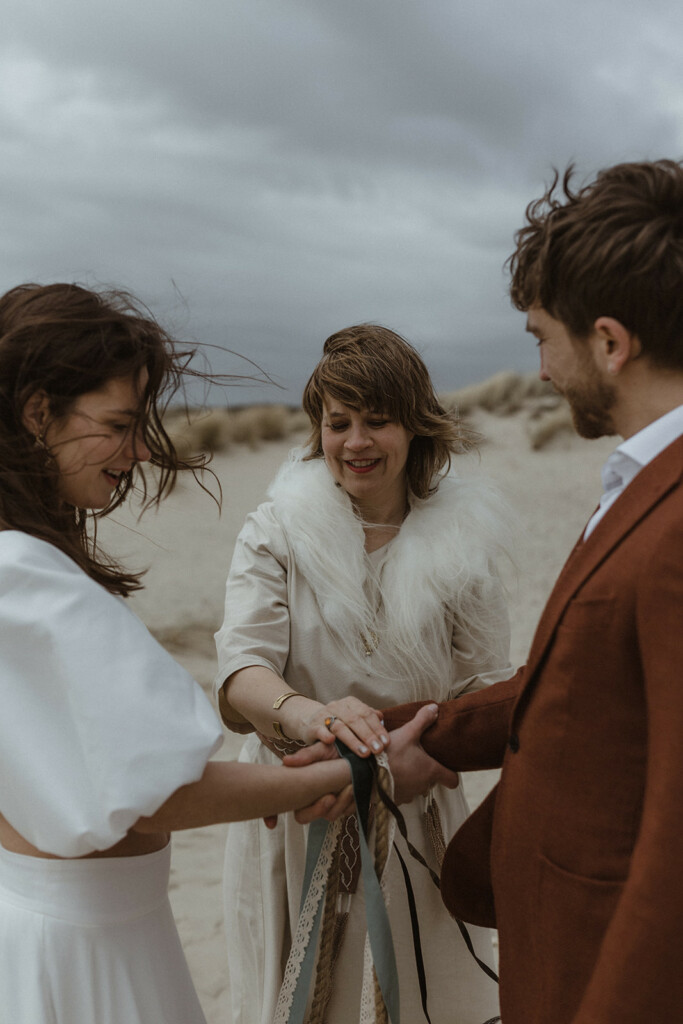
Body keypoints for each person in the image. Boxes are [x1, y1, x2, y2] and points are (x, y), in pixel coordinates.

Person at [0, 283, 444, 1024]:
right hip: (86, 948)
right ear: (38, 412)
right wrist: (361, 770)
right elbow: (160, 794)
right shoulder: (24, 574)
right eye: (118, 423)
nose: (141, 450)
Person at [324, 159, 683, 1024]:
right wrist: (424, 734)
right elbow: (582, 684)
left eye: (539, 337)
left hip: (601, 969)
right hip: (552, 942)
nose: (545, 371)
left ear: (608, 341)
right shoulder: (645, 476)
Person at [214, 324, 513, 1024]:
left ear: (414, 427)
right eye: (337, 422)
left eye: (376, 420)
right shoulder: (276, 531)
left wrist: (417, 760)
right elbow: (241, 670)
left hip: (415, 804)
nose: (355, 443)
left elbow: (486, 694)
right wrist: (310, 719)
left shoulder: (463, 544)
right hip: (297, 804)